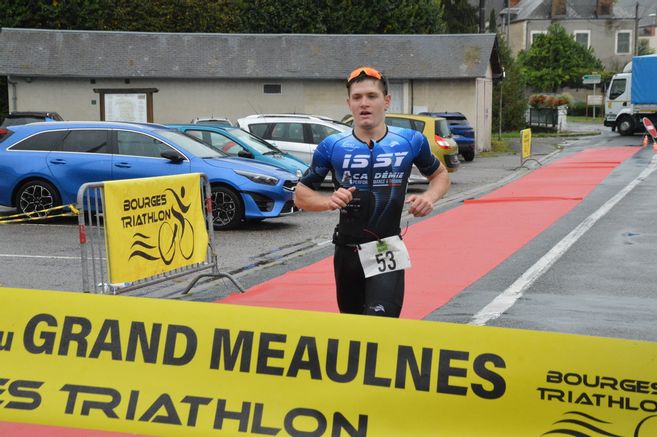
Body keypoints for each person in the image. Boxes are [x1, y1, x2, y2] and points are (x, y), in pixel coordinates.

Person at [294, 66, 450, 317]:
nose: (364, 103)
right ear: (349, 103)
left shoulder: (410, 141)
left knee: (379, 326)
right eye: (357, 98)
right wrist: (328, 201)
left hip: (385, 247)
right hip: (346, 251)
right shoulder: (332, 146)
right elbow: (300, 195)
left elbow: (440, 175)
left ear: (386, 101)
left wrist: (429, 198)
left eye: (371, 96)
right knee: (354, 333)